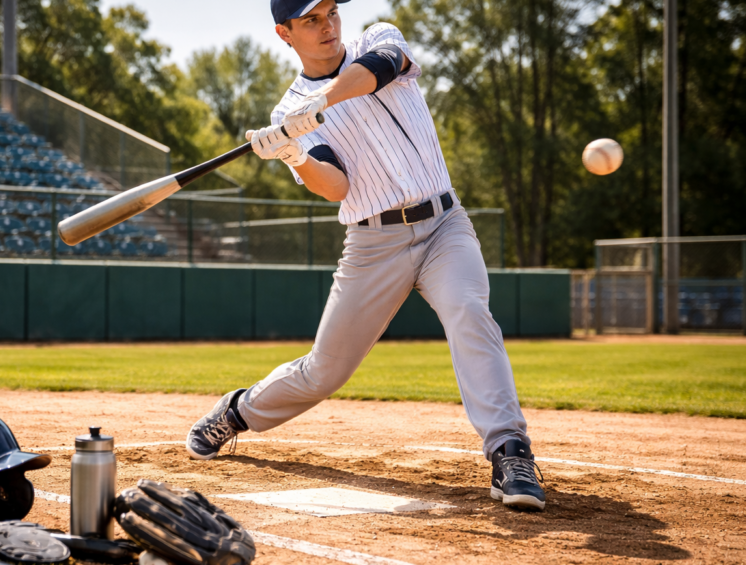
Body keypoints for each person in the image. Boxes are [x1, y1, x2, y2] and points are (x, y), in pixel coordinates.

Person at [185, 0, 546, 511]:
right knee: (323, 372)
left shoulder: (378, 37)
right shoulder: (287, 112)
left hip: (445, 224)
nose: (327, 24)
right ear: (284, 33)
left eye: (330, 11)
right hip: (374, 243)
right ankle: (239, 411)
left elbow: (379, 70)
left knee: (468, 311)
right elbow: (336, 187)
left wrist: (320, 104)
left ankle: (511, 451)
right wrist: (294, 151)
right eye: (310, 19)